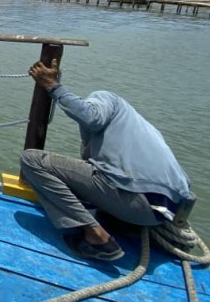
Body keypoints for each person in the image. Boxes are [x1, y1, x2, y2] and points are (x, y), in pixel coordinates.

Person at [20, 59, 194, 261]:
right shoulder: (142, 128)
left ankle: (96, 236)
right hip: (167, 212)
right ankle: (122, 223)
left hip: (138, 202)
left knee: (31, 159)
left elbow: (91, 117)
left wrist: (53, 87)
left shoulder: (107, 98)